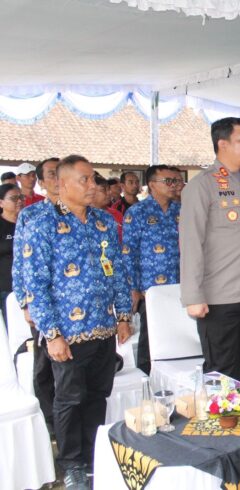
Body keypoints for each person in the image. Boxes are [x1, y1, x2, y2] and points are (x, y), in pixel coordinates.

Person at [24, 155, 132, 489]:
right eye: (84, 179)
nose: (92, 185)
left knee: (97, 395)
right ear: (62, 183)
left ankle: (93, 456)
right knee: (69, 399)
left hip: (103, 327)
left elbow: (116, 271)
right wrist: (51, 334)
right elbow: (35, 285)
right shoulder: (43, 224)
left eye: (93, 179)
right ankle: (72, 464)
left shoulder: (103, 221)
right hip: (67, 334)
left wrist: (123, 315)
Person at [180, 117, 240, 380]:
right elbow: (191, 242)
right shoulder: (202, 185)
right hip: (219, 299)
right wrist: (193, 296)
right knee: (222, 373)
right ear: (222, 144)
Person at [12, 157, 60, 434]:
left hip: (74, 306)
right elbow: (20, 262)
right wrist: (25, 303)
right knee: (45, 364)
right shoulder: (30, 215)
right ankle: (50, 420)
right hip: (43, 302)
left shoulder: (80, 212)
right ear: (41, 182)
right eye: (52, 174)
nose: (58, 178)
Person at [122, 165, 181, 375]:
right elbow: (129, 253)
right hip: (150, 290)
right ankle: (147, 380)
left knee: (177, 339)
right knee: (151, 340)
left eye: (176, 181)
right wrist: (133, 288)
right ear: (152, 185)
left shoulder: (181, 211)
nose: (173, 185)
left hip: (179, 287)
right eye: (168, 181)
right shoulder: (137, 212)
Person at [0, 184, 23, 325]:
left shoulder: (29, 222)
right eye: (14, 198)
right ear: (1, 202)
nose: (19, 201)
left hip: (29, 288)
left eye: (21, 197)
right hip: (6, 289)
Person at [93, 175, 124, 242]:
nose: (109, 193)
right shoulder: (84, 216)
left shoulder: (116, 214)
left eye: (109, 189)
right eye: (103, 190)